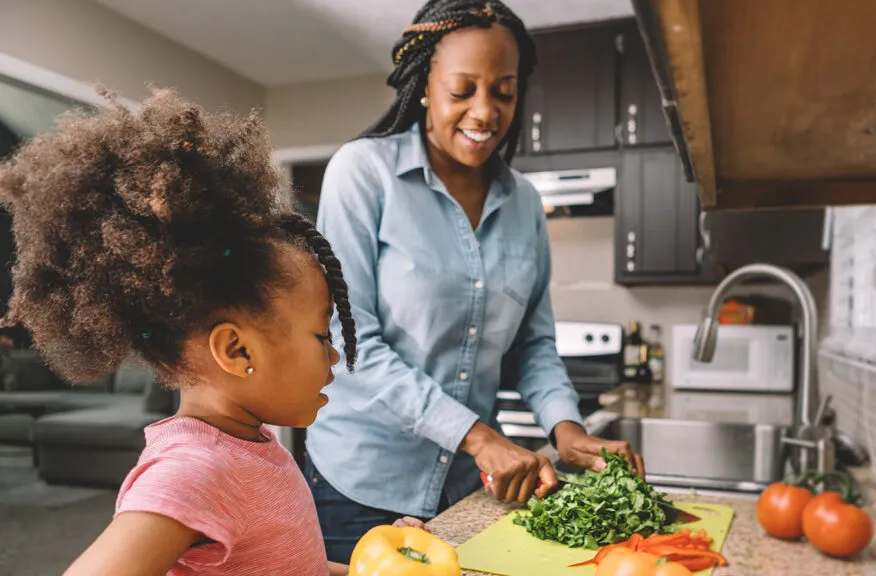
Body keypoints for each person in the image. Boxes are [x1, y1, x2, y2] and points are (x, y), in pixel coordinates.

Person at [0, 89, 425, 576]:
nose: (333, 358)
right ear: (237, 349)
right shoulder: (195, 470)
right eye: (321, 335)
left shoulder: (250, 442)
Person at [307, 0, 645, 563]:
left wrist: (566, 428)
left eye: (504, 91)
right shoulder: (363, 174)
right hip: (360, 484)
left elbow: (533, 345)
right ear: (423, 86)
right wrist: (480, 436)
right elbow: (351, 339)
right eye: (462, 90)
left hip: (466, 487)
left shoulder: (525, 205)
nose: (485, 112)